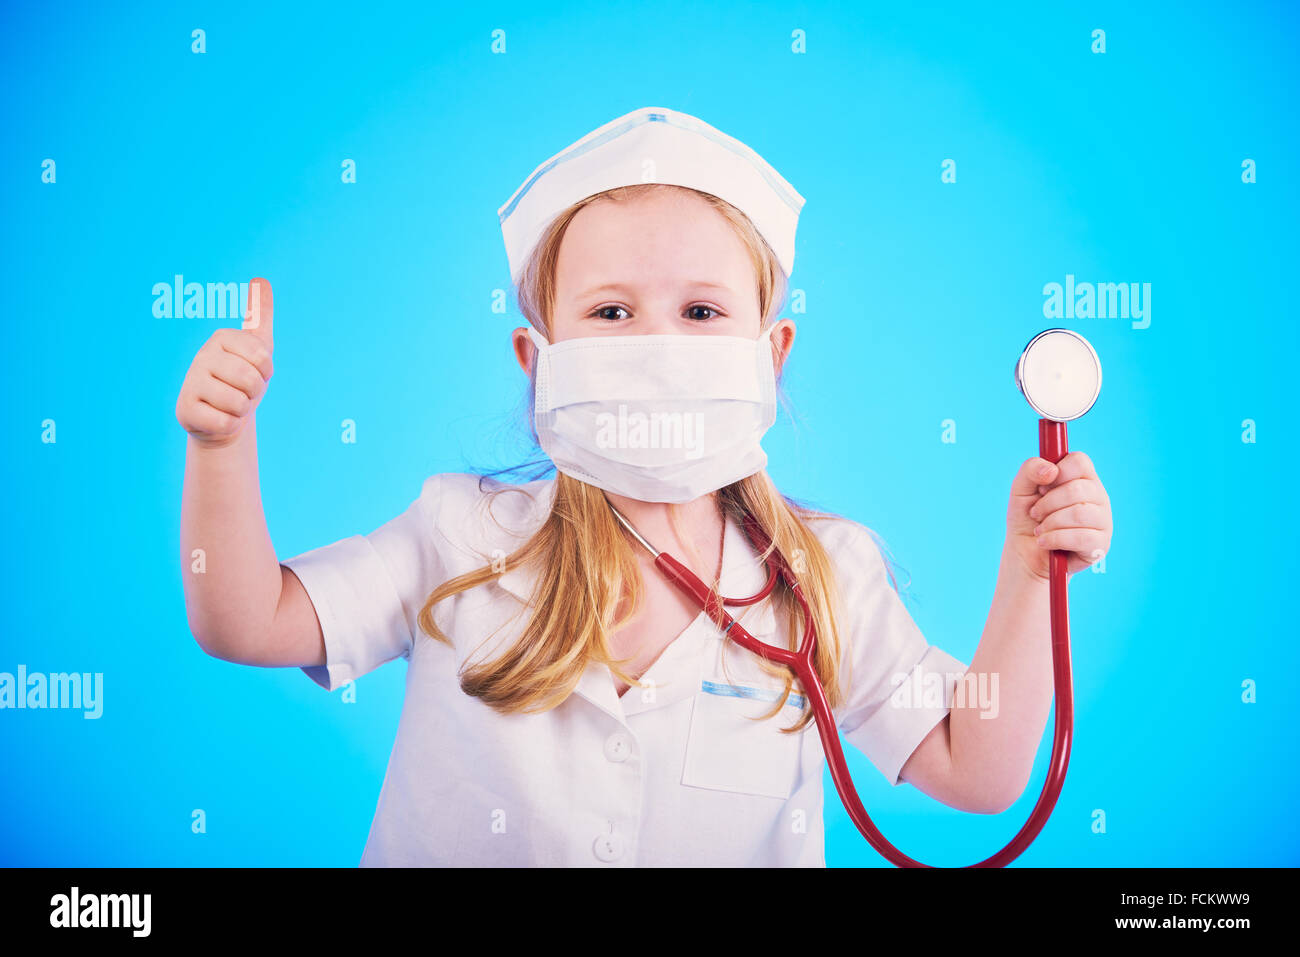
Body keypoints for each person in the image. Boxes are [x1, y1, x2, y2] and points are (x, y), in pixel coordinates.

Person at [175, 106, 1114, 866]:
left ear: (771, 355)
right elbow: (244, 621)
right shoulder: (455, 533)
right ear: (535, 360)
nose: (659, 345)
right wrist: (222, 442)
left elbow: (978, 770)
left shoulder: (825, 573)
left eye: (702, 311)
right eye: (611, 311)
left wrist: (1032, 574)